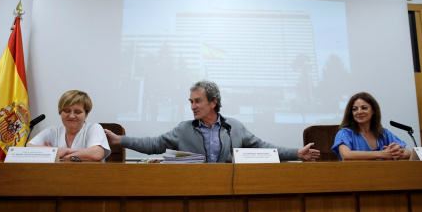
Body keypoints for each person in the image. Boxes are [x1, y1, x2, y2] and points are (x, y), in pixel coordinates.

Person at [104, 80, 319, 162]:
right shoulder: (183, 129)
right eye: (191, 102)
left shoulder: (233, 127)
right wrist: (120, 140)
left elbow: (264, 148)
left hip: (229, 192)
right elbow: (153, 145)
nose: (193, 106)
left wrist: (297, 153)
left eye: (198, 101)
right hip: (192, 190)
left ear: (213, 102)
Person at [28, 90, 111, 161]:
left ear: (86, 114)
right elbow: (29, 147)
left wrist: (56, 155)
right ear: (60, 112)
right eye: (67, 111)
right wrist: (60, 151)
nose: (71, 116)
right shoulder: (53, 131)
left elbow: (96, 153)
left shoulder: (93, 128)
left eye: (77, 112)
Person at [331, 92, 411, 160]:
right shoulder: (345, 133)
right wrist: (382, 154)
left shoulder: (384, 133)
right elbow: (346, 155)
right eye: (354, 109)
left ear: (373, 111)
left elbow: (408, 152)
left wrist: (397, 153)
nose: (359, 112)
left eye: (364, 108)